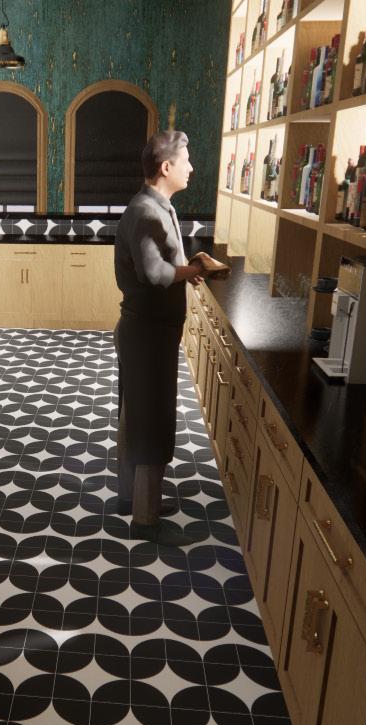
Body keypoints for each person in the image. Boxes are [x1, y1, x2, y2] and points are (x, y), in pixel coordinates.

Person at [113, 130, 225, 538]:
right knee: (152, 420)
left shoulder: (154, 206)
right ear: (166, 167)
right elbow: (154, 272)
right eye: (186, 161)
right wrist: (194, 270)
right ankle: (145, 519)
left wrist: (186, 268)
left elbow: (161, 264)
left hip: (146, 331)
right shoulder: (147, 212)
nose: (191, 168)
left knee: (135, 415)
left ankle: (130, 497)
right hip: (148, 335)